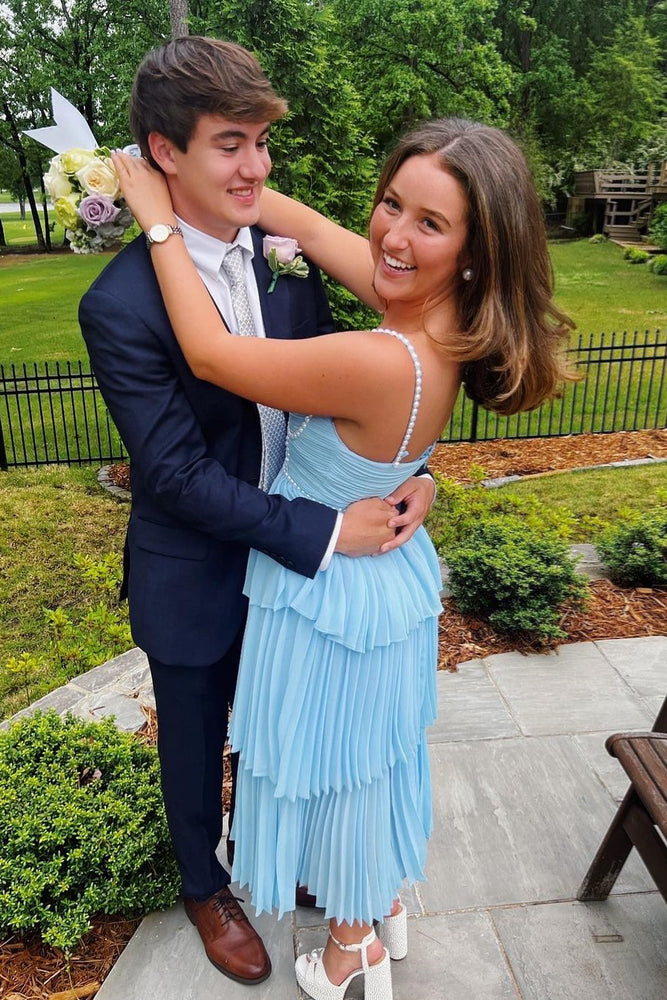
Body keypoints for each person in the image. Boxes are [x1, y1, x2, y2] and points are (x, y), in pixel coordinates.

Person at [112, 115, 574, 1000]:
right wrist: (221, 178)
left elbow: (211, 355)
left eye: (429, 224)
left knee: (339, 771)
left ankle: (351, 947)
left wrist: (157, 219)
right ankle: (380, 904)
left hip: (332, 594)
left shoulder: (379, 357)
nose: (393, 236)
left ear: (474, 252)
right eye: (391, 203)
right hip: (377, 575)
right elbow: (316, 231)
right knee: (372, 755)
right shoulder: (433, 314)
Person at [79, 36, 435, 989]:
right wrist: (324, 533)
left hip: (291, 568)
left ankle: (300, 856)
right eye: (230, 144)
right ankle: (204, 885)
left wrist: (415, 473)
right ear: (164, 153)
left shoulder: (284, 257)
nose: (257, 167)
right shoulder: (118, 306)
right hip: (198, 566)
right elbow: (175, 475)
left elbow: (355, 386)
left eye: (262, 143)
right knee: (195, 744)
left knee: (286, 727)